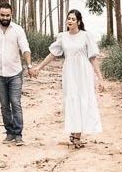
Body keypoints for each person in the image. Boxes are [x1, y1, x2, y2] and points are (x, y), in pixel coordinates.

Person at [30, 9, 104, 149]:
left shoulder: (86, 36)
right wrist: (39, 67)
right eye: (68, 18)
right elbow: (52, 54)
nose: (70, 21)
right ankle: (74, 131)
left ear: (78, 22)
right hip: (69, 73)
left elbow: (93, 58)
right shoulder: (63, 37)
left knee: (82, 100)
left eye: (73, 19)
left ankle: (77, 136)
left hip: (84, 73)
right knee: (72, 100)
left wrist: (100, 78)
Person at [0, 1, 34, 146]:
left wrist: (29, 65)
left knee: (16, 103)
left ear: (11, 15)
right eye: (2, 15)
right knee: (4, 106)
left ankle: (18, 135)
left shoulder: (18, 30)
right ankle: (9, 133)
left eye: (7, 15)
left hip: (15, 74)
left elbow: (25, 48)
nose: (5, 18)